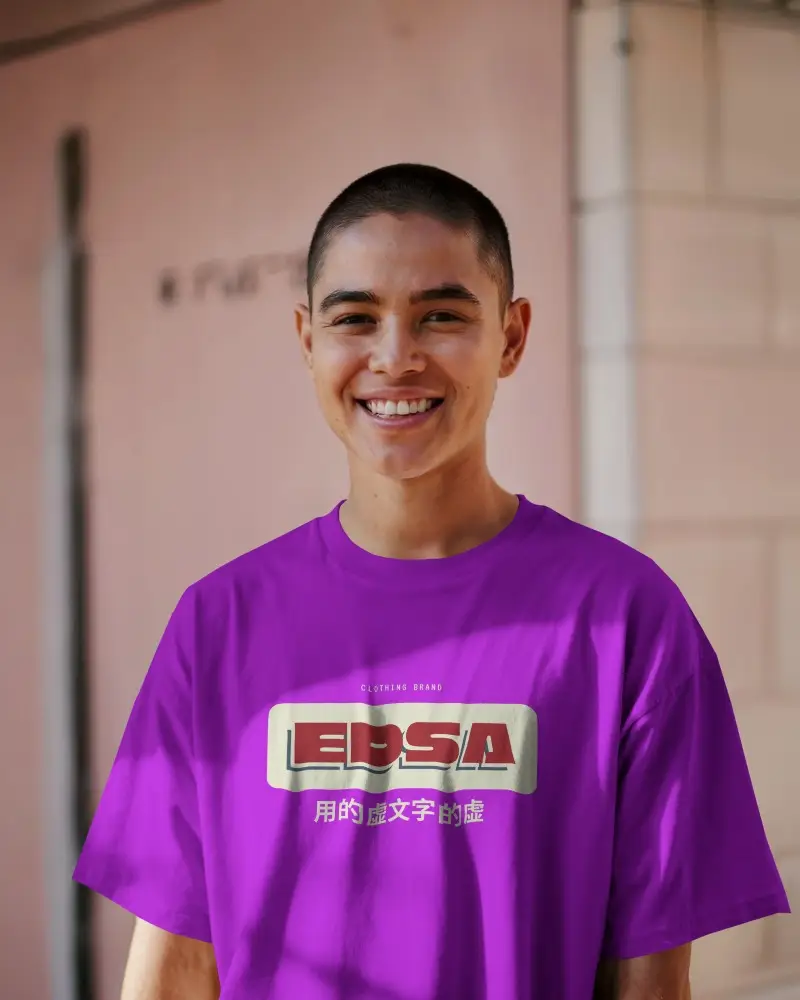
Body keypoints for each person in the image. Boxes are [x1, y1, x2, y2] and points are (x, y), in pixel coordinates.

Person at [74, 163, 790, 1000]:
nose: (394, 357)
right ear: (307, 340)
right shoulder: (218, 624)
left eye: (440, 316)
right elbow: (174, 966)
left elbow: (650, 980)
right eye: (355, 318)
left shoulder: (624, 620)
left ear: (512, 337)